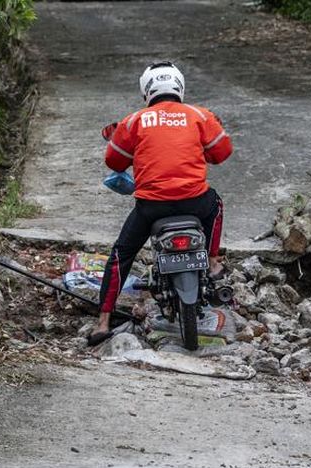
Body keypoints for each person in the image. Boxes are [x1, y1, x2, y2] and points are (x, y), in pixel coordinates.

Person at [89, 61, 234, 345]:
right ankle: (213, 262)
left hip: (151, 207)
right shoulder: (199, 115)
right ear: (180, 87)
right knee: (216, 204)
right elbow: (222, 153)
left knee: (121, 256)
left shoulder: (134, 121)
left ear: (146, 90)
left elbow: (114, 161)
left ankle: (103, 322)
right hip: (195, 203)